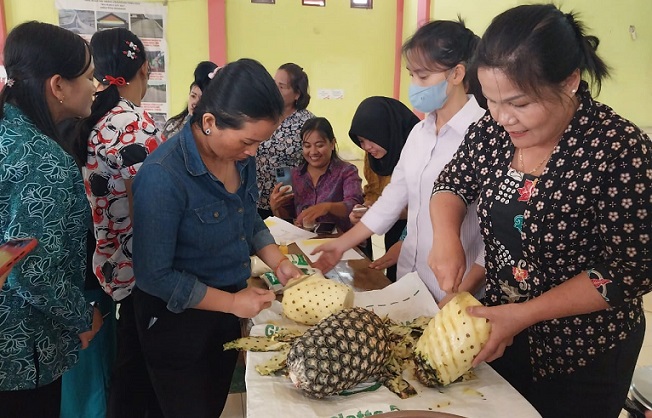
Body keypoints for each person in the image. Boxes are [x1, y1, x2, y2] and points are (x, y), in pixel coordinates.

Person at [427, 5, 652, 418]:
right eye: (490, 100)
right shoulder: (491, 131)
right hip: (501, 329)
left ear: (569, 82)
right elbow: (452, 183)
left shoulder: (618, 149)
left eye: (519, 103)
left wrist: (525, 314)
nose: (501, 116)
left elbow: (631, 269)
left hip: (583, 352)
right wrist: (446, 237)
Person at [131, 58, 303, 418]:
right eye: (248, 141)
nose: (253, 152)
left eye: (260, 142)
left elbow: (248, 219)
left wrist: (280, 262)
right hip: (178, 322)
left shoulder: (241, 160)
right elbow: (154, 276)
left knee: (213, 402)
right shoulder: (164, 175)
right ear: (209, 122)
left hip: (227, 310)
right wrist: (232, 303)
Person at [313, 20, 486, 303]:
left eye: (423, 76)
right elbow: (391, 201)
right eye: (411, 75)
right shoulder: (419, 133)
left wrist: (463, 291)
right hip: (410, 280)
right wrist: (342, 244)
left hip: (455, 289)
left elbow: (494, 234)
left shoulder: (483, 135)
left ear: (456, 74)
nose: (414, 86)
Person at [0, 21, 102, 418]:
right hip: (21, 347)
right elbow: (30, 268)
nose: (95, 86)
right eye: (89, 77)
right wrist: (82, 315)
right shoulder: (43, 160)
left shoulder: (8, 131)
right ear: (58, 85)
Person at [75, 27, 163, 418]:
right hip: (136, 264)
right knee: (137, 370)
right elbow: (146, 204)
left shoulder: (93, 118)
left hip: (106, 257)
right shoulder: (134, 124)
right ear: (144, 68)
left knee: (124, 362)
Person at [348, 96, 420, 280]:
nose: (367, 147)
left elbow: (427, 206)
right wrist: (366, 209)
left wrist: (383, 212)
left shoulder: (418, 150)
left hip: (422, 233)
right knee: (395, 278)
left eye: (370, 140)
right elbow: (373, 191)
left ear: (386, 131)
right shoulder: (373, 156)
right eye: (361, 141)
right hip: (394, 230)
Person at [269, 116, 364, 234]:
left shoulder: (347, 171)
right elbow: (288, 219)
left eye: (319, 145)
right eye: (307, 146)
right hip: (303, 242)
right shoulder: (294, 175)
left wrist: (327, 207)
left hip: (339, 242)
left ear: (332, 144)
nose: (313, 152)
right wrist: (276, 207)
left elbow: (354, 205)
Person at [256, 62, 315, 219]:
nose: (274, 90)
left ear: (297, 94)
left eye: (281, 87)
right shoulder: (261, 114)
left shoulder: (306, 122)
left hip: (289, 204)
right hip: (255, 200)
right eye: (273, 84)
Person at [162, 60, 218, 139]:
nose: (195, 102)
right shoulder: (172, 125)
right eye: (193, 96)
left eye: (201, 98)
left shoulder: (215, 130)